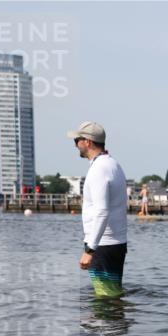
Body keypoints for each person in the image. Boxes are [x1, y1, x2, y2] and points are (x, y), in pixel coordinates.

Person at [68, 121, 128, 298]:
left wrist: (89, 250)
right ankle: (116, 324)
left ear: (87, 142)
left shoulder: (99, 169)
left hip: (103, 245)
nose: (75, 145)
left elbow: (102, 211)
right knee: (113, 295)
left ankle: (107, 325)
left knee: (105, 298)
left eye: (77, 140)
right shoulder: (113, 164)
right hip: (115, 242)